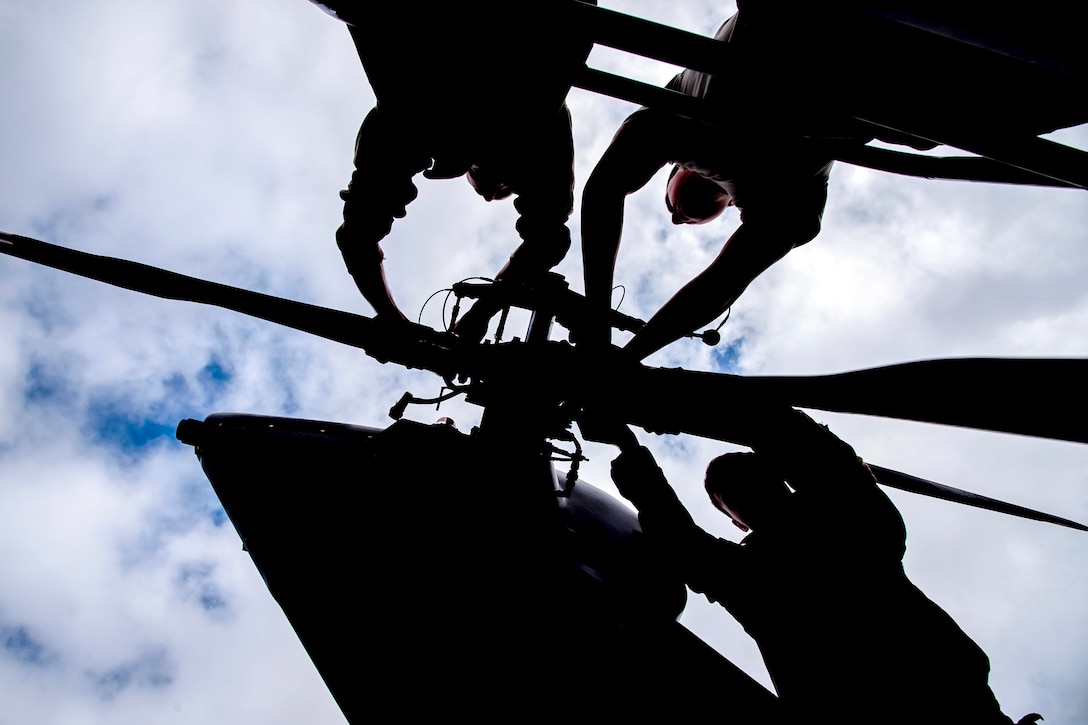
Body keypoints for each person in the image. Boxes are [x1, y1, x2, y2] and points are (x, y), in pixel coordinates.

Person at [602, 408, 1036, 724]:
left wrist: (632, 443)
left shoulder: (770, 571)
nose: (746, 495)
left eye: (745, 484)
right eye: (732, 492)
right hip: (957, 701)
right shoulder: (861, 529)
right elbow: (686, 543)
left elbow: (683, 543)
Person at [580, 10, 863, 361]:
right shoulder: (786, 202)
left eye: (669, 207)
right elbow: (722, 285)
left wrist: (597, 323)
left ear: (673, 169)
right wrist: (627, 359)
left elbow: (605, 188)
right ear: (727, 207)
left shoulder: (673, 115)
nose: (676, 219)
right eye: (688, 219)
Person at [313, 2, 592, 339]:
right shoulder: (542, 134)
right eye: (504, 188)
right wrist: (479, 311)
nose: (491, 196)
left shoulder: (407, 126)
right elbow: (547, 239)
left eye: (497, 188)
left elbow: (358, 232)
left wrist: (394, 318)